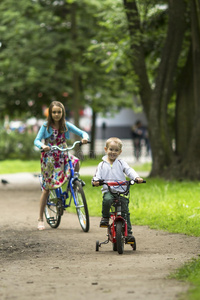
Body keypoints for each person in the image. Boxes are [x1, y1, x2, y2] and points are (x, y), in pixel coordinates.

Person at [34, 101, 89, 230]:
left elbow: (82, 133)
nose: (56, 114)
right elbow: (36, 140)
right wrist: (42, 146)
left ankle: (73, 183)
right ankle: (40, 218)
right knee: (47, 188)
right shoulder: (46, 126)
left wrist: (85, 138)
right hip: (49, 158)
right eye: (54, 112)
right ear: (50, 113)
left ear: (62, 113)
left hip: (63, 154)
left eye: (59, 112)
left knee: (76, 162)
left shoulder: (65, 125)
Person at [92, 137, 144, 243]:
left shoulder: (121, 163)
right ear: (106, 149)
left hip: (121, 191)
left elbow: (129, 170)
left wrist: (136, 178)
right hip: (109, 191)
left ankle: (129, 234)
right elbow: (96, 176)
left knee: (125, 212)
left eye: (116, 150)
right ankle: (105, 218)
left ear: (120, 152)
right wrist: (96, 181)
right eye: (111, 149)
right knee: (107, 200)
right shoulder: (101, 165)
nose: (113, 152)